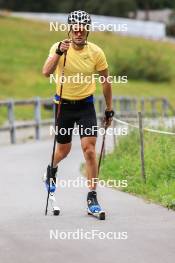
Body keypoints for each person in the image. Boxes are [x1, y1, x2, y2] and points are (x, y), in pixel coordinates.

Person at [42, 10, 114, 218]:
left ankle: (92, 197)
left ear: (87, 31)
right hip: (63, 105)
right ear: (70, 30)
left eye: (83, 29)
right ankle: (51, 169)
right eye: (76, 28)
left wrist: (109, 109)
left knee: (89, 150)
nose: (79, 32)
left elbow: (106, 82)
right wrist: (58, 53)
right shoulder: (58, 48)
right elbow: (46, 72)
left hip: (86, 106)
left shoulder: (96, 52)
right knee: (63, 150)